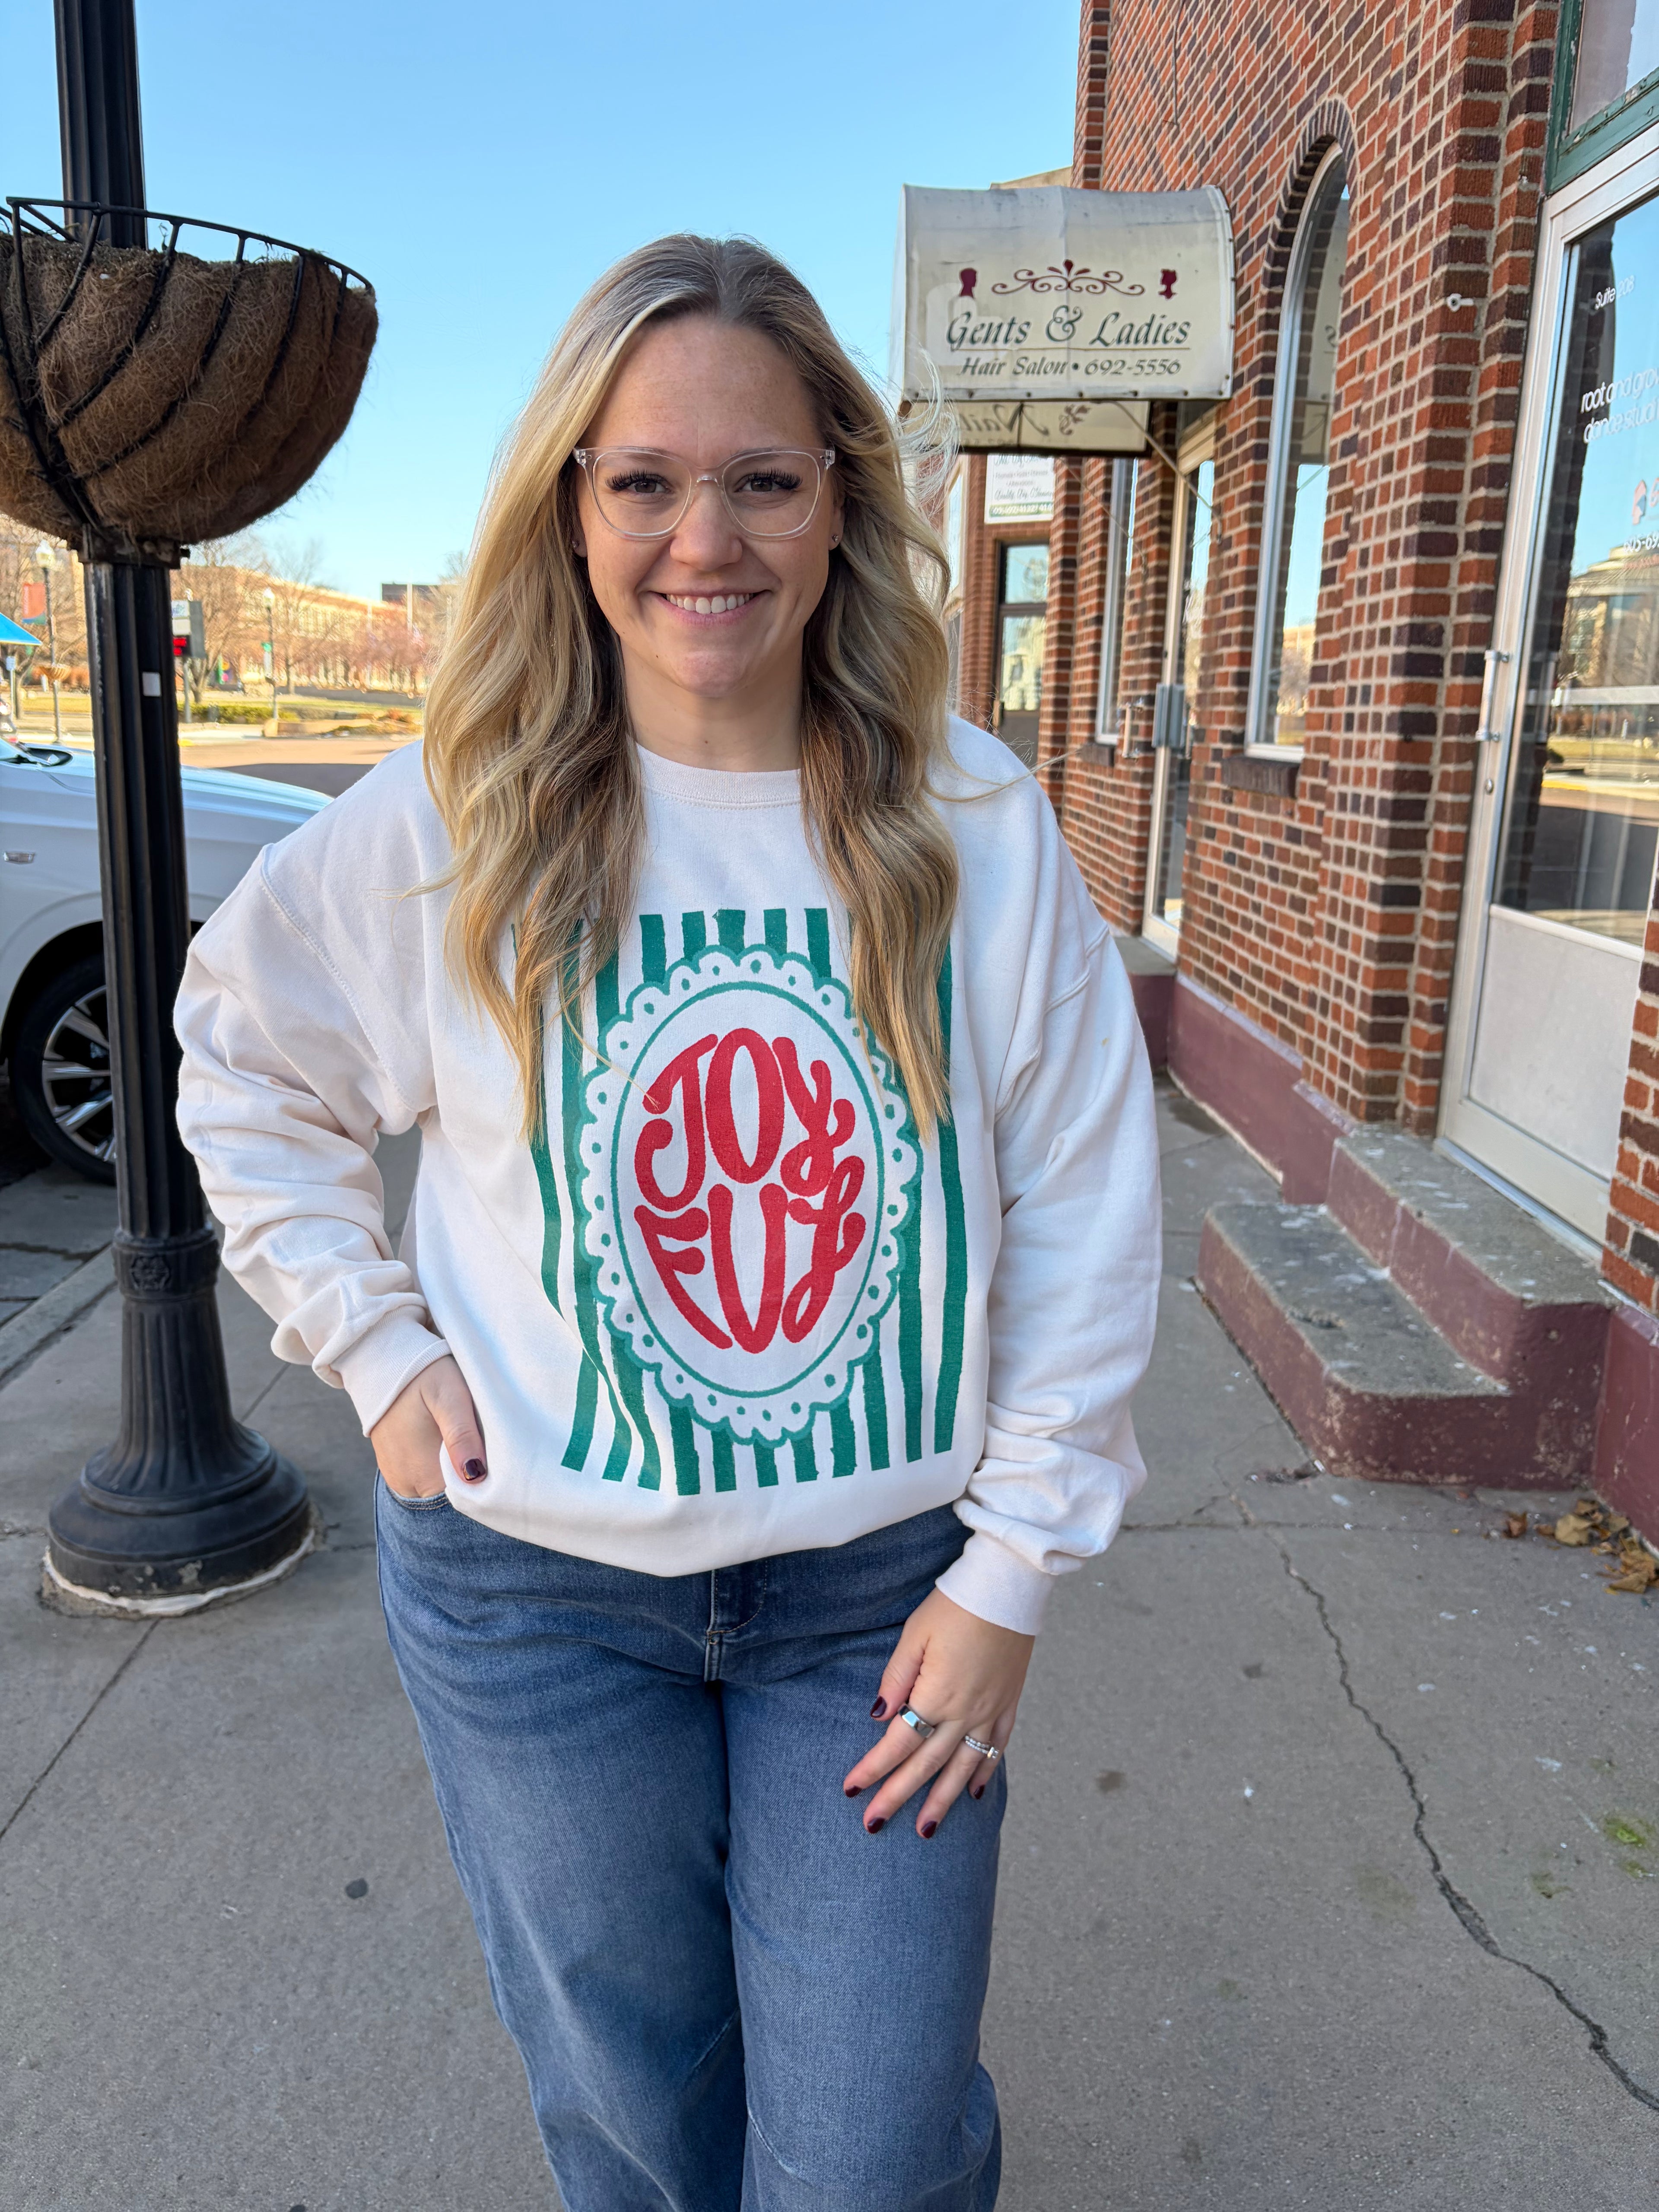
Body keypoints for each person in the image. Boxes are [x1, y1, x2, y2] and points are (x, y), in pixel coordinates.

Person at [175, 233, 1160, 2211]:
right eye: (644, 479)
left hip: (883, 1605)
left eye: (763, 479)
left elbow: (1081, 1198)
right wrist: (375, 1347)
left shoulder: (970, 824)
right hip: (534, 1601)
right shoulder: (460, 818)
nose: (703, 535)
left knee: (870, 2151)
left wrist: (1017, 1568)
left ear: (838, 505)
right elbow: (242, 1063)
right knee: (634, 2122)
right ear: (573, 506)